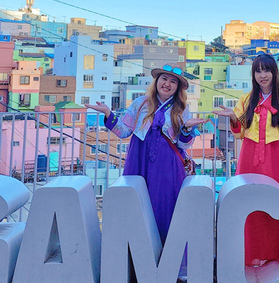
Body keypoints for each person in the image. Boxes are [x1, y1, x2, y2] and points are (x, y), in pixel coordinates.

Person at [213, 53, 279, 266]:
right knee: (251, 204)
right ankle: (253, 254)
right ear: (253, 74)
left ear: (274, 73)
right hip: (250, 158)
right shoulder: (245, 100)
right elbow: (239, 133)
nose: (262, 75)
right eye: (258, 71)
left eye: (266, 70)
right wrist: (232, 117)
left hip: (278, 158)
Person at [85, 64, 202, 242]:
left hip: (168, 163)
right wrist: (108, 113)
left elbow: (183, 144)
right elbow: (123, 131)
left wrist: (186, 129)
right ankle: (136, 250)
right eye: (164, 79)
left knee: (165, 204)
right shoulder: (140, 103)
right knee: (136, 201)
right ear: (156, 81)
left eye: (173, 82)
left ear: (178, 88)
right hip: (138, 159)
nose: (167, 84)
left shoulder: (182, 109)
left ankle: (166, 249)